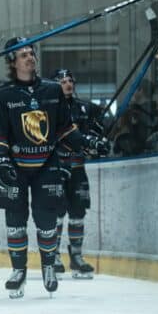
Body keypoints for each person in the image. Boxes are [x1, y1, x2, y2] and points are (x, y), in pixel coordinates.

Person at [0, 38, 107, 298]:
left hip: (46, 164)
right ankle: (18, 270)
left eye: (31, 53)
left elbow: (65, 129)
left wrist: (88, 142)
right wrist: (0, 160)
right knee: (15, 221)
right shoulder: (2, 95)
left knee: (46, 220)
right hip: (15, 167)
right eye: (23, 55)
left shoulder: (52, 90)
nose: (29, 58)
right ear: (12, 62)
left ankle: (48, 266)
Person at [53, 68, 107, 279]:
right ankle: (54, 256)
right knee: (56, 214)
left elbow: (97, 129)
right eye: (63, 81)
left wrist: (96, 134)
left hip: (77, 170)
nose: (67, 84)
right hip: (57, 170)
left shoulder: (84, 108)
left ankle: (76, 256)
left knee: (78, 213)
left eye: (70, 80)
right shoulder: (49, 109)